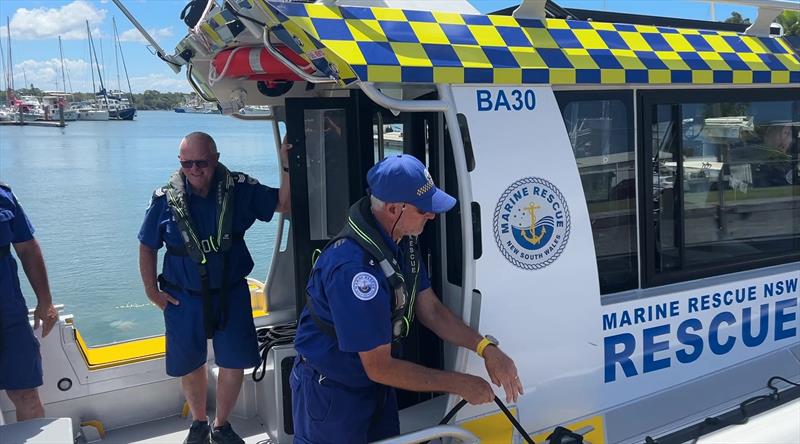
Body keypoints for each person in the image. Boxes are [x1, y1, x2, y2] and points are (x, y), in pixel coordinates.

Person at [291, 154, 523, 443]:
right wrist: (460, 383)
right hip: (332, 395)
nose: (432, 215)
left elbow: (431, 310)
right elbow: (379, 366)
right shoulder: (354, 270)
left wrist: (486, 349)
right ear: (393, 209)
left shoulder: (402, 241)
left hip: (375, 389)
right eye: (424, 209)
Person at [138, 132, 290, 444]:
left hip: (231, 293)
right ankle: (198, 423)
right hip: (182, 298)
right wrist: (151, 291)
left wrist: (287, 165)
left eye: (202, 163)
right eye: (187, 164)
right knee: (190, 364)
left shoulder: (240, 189)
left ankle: (221, 426)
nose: (194, 169)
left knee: (233, 363)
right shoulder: (164, 200)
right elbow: (147, 245)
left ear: (216, 159)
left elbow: (283, 203)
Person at [0, 182, 58, 422]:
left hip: (9, 315)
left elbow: (27, 249)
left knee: (27, 395)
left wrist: (45, 301)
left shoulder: (3, 196)